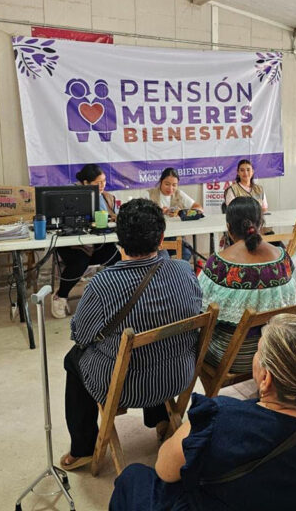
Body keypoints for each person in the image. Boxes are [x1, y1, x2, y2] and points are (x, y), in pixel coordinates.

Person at [108, 314, 296, 511]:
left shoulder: (220, 419)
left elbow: (165, 471)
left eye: (258, 352)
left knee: (133, 477)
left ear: (265, 378)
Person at [59, 199, 203, 471]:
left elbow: (81, 335)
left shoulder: (103, 285)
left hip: (125, 389)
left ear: (119, 239)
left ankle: (83, 448)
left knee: (73, 359)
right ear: (161, 237)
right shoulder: (185, 271)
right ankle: (162, 420)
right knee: (158, 337)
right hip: (178, 375)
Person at [199, 196, 296, 373]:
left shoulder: (218, 264)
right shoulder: (283, 259)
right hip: (275, 353)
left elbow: (199, 309)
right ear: (261, 223)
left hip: (229, 358)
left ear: (229, 227)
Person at [51, 164, 121, 319]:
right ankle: (60, 296)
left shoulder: (107, 197)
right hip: (72, 245)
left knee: (115, 257)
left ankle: (114, 294)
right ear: (85, 183)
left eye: (104, 181)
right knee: (80, 261)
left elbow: (112, 218)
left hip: (97, 244)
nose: (102, 185)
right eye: (98, 183)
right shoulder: (68, 195)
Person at [147, 168, 202, 261]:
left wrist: (183, 212)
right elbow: (141, 214)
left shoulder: (179, 194)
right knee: (162, 257)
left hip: (176, 236)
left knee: (186, 253)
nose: (170, 188)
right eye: (167, 184)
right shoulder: (149, 194)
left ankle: (176, 269)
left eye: (174, 185)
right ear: (161, 182)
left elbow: (199, 208)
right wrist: (158, 212)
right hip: (157, 239)